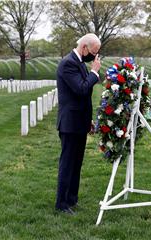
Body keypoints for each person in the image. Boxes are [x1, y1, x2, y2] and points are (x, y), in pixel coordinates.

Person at [55, 33, 101, 214]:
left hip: (79, 122)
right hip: (69, 123)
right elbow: (81, 89)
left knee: (76, 164)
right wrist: (94, 72)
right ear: (84, 48)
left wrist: (87, 119)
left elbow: (81, 96)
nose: (94, 57)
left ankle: (72, 199)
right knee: (67, 164)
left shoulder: (79, 63)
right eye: (94, 52)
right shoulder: (68, 63)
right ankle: (61, 204)